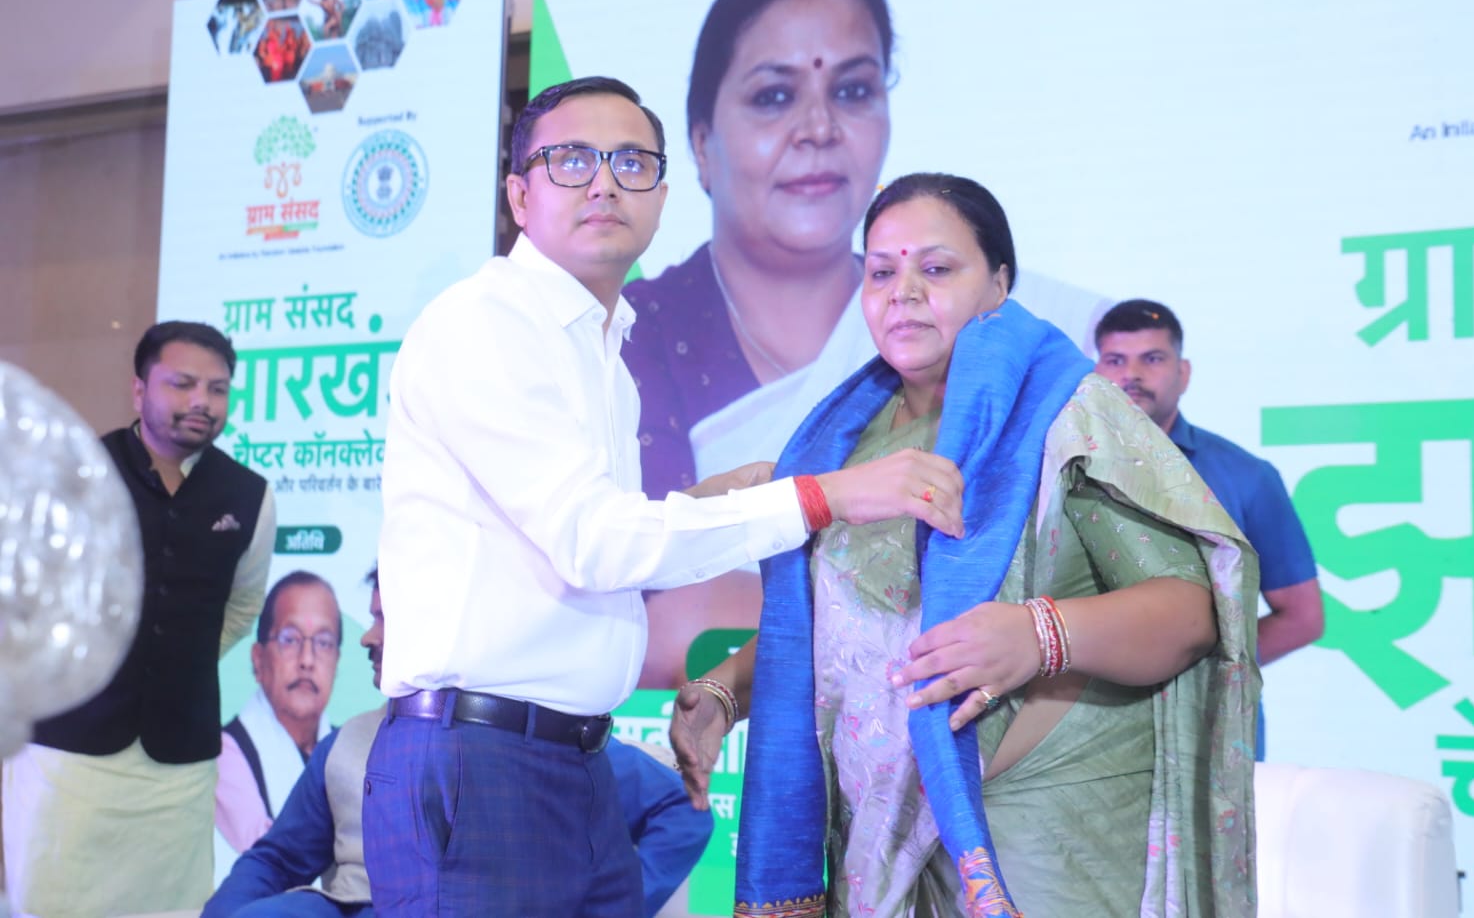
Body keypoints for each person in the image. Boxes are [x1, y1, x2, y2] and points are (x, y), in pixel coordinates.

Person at [365, 75, 965, 916]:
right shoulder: (487, 325)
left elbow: (581, 536)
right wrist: (821, 497)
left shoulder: (603, 348)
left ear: (662, 194)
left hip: (571, 761)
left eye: (631, 162)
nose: (604, 183)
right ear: (519, 195)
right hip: (481, 761)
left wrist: (703, 499)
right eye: (571, 160)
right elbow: (596, 543)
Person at [671, 174, 1258, 917]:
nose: (904, 292)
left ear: (999, 284)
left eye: (937, 268)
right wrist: (727, 690)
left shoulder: (1064, 414)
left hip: (1039, 838)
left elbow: (1191, 611)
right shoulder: (842, 437)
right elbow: (857, 631)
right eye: (881, 272)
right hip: (875, 841)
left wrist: (1039, 634)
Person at [624, 0, 1113, 688]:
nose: (819, 128)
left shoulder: (1064, 377)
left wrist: (1036, 633)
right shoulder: (633, 336)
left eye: (852, 90)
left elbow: (1174, 600)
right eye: (774, 96)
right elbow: (645, 601)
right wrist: (726, 687)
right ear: (700, 142)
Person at [205, 568, 712, 918]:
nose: (367, 637)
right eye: (372, 617)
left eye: (386, 620)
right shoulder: (346, 742)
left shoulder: (531, 737)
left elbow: (684, 810)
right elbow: (276, 859)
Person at [2, 321, 276, 918]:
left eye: (218, 389)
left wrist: (179, 657)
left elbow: (243, 604)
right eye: (183, 384)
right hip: (68, 754)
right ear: (138, 390)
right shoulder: (75, 472)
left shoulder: (249, 494)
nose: (202, 401)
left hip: (179, 766)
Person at [1093, 297, 1325, 759]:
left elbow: (1303, 617)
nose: (1131, 375)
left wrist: (1207, 671)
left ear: (1184, 373)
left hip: (1211, 728)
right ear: (1095, 373)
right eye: (1115, 360)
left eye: (1152, 359)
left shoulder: (1246, 476)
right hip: (1090, 719)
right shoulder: (1062, 466)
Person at [215, 572, 343, 857]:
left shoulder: (348, 746)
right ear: (258, 659)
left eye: (323, 642)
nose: (307, 660)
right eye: (290, 639)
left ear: (337, 662)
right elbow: (272, 858)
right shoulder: (225, 754)